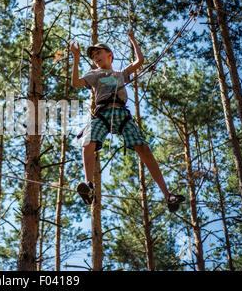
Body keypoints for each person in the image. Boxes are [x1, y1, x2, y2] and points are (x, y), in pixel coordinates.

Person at [70, 30, 185, 212]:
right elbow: (76, 83)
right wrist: (76, 58)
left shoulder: (121, 73)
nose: (95, 57)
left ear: (110, 55)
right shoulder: (93, 74)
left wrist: (132, 39)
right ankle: (89, 186)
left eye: (98, 53)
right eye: (93, 56)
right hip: (102, 113)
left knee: (144, 149)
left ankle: (168, 195)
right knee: (88, 141)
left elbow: (140, 61)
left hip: (122, 114)